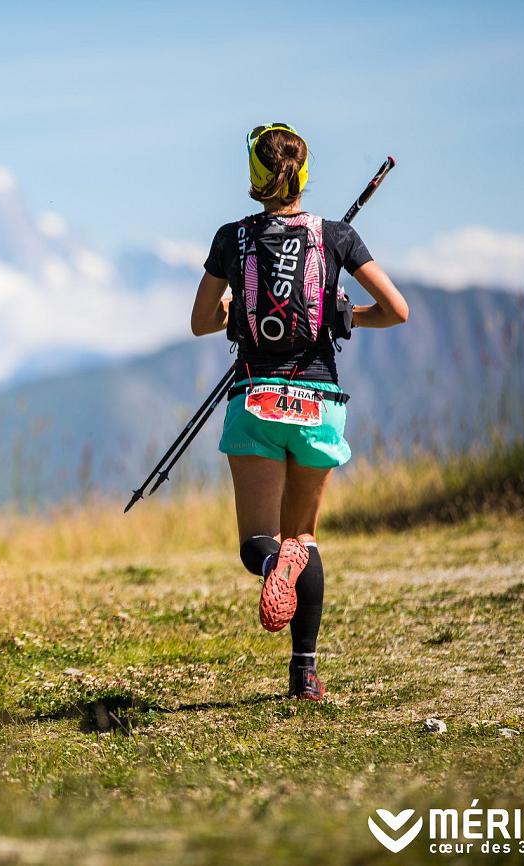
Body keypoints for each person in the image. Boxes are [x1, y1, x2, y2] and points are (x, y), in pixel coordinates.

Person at [189, 123, 409, 700]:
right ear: (302, 176)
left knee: (258, 542)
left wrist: (238, 307)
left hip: (256, 399)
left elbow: (202, 322)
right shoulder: (336, 236)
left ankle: (271, 570)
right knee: (302, 539)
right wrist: (345, 314)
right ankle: (305, 676)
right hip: (320, 401)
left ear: (255, 179)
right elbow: (397, 310)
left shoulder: (230, 239)